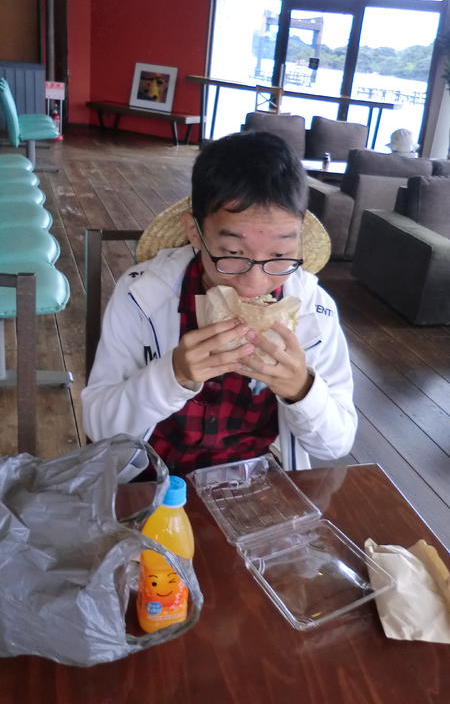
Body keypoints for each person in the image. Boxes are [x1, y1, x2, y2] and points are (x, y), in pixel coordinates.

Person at [82, 131, 357, 474]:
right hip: (154, 478)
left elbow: (336, 445)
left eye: (279, 255)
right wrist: (173, 374)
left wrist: (301, 389)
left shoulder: (313, 310)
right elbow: (99, 427)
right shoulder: (142, 296)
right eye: (233, 253)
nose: (254, 282)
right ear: (194, 233)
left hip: (261, 479)